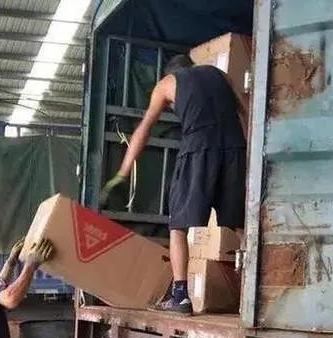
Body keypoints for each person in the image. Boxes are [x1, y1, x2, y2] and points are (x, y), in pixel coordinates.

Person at [100, 55, 246, 315]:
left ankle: (180, 297)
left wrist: (123, 171)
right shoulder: (219, 75)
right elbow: (245, 112)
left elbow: (144, 128)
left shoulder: (166, 84)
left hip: (198, 150)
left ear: (170, 72)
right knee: (240, 225)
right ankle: (256, 289)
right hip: (235, 148)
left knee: (178, 226)